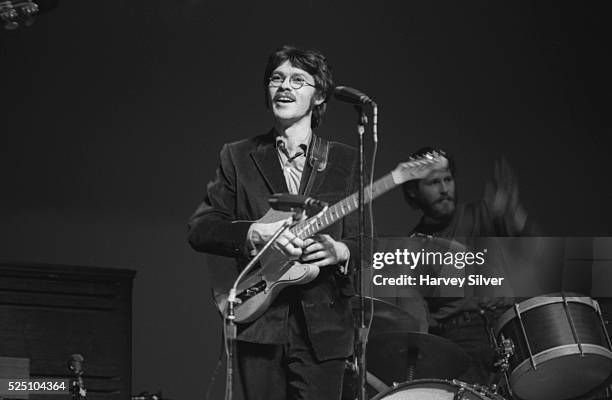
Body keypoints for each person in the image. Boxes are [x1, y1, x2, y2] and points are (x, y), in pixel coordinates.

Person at [187, 45, 359, 400]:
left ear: (320, 95)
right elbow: (201, 227)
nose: (284, 86)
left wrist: (341, 250)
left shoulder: (345, 160)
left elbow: (367, 239)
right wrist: (254, 232)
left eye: (298, 80)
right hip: (258, 324)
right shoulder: (237, 155)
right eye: (276, 78)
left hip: (324, 331)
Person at [400, 147, 535, 385]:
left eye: (448, 179)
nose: (444, 189)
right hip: (461, 339)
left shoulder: (483, 214)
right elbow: (417, 321)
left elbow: (531, 253)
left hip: (509, 325)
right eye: (433, 183)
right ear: (413, 191)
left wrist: (515, 216)